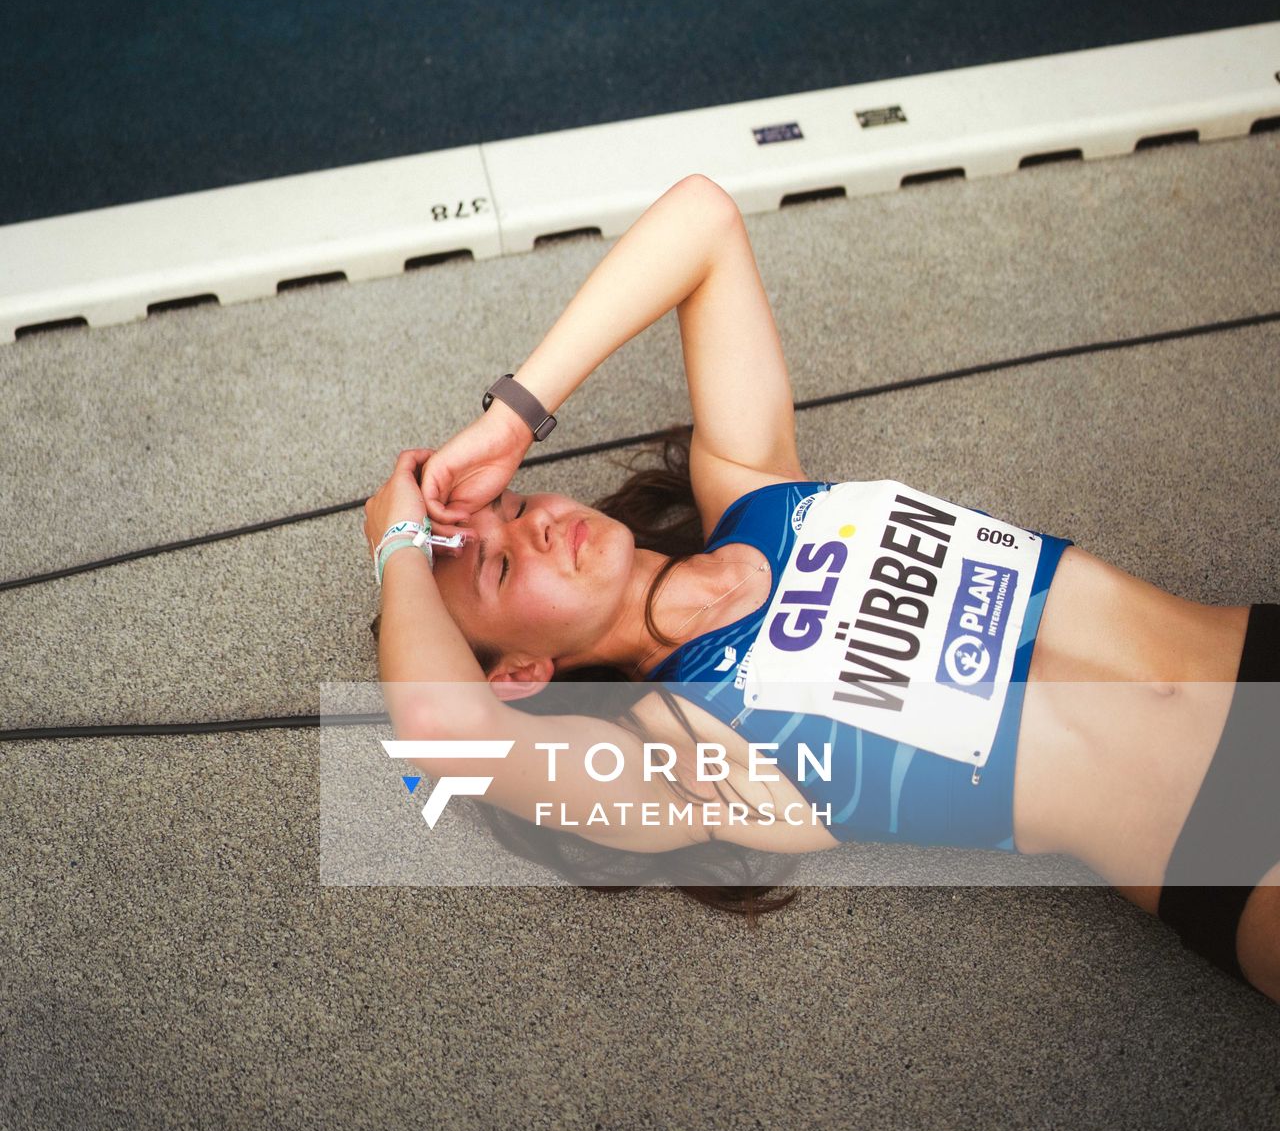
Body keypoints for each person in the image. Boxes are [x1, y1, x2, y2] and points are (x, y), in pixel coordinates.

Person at [363, 174, 1280, 1002]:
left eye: (516, 504)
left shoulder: (757, 493)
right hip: (1239, 850)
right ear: (521, 670)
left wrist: (512, 420)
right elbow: (450, 734)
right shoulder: (683, 757)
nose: (531, 524)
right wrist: (398, 539)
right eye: (502, 564)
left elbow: (704, 220)